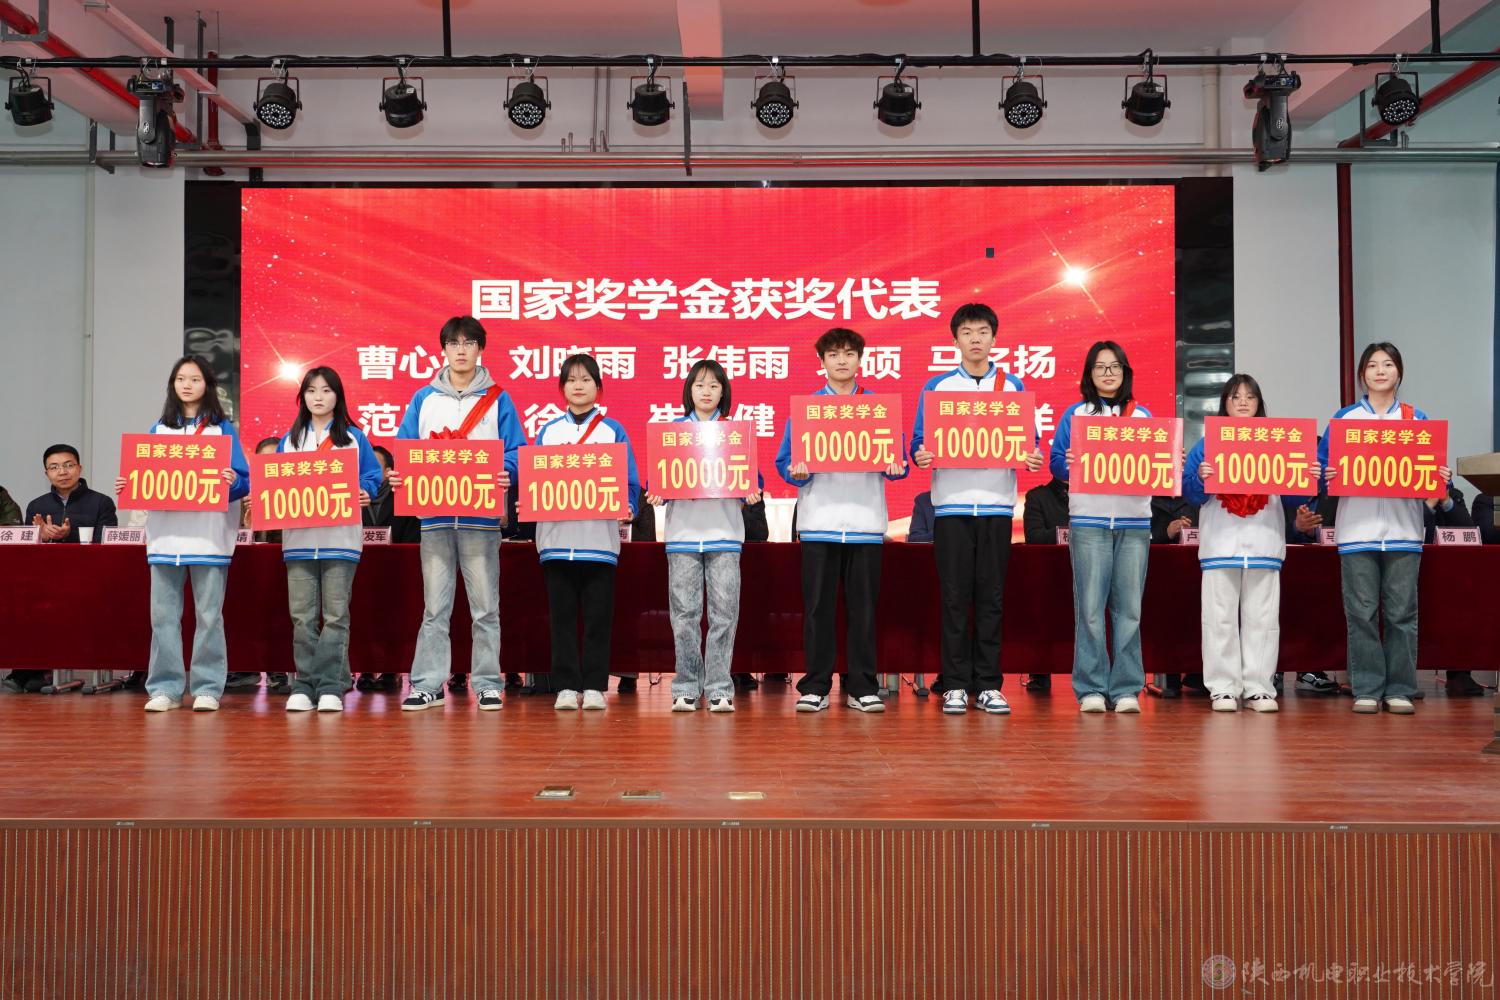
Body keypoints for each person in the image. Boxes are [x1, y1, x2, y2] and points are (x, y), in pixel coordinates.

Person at [910, 303, 1045, 716]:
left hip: (997, 507)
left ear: (994, 338)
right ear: (955, 340)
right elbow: (918, 442)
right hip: (951, 508)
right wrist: (921, 454)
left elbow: (1030, 440)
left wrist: (1032, 456)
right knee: (953, 598)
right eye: (967, 332)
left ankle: (988, 684)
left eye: (982, 331)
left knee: (991, 598)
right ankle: (954, 684)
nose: (975, 339)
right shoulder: (938, 387)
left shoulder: (1012, 385)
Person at [393, 316, 525, 712]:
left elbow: (516, 451)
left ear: (480, 349)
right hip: (434, 518)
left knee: (485, 608)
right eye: (454, 343)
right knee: (434, 609)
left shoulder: (499, 398)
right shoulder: (423, 398)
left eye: (469, 343)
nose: (461, 350)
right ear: (444, 350)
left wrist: (507, 471)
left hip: (481, 520)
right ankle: (427, 684)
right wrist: (399, 474)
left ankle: (487, 683)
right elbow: (405, 447)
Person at [776, 327, 908, 714]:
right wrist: (796, 472)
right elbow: (784, 462)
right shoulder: (808, 409)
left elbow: (898, 462)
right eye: (833, 354)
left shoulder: (877, 408)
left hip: (865, 524)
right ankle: (815, 686)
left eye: (849, 353)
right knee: (818, 609)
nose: (841, 361)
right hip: (819, 522)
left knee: (863, 610)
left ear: (860, 359)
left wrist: (895, 465)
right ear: (822, 362)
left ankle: (862, 686)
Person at [1317, 342, 1450, 715]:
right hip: (1357, 532)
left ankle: (1401, 689)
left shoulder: (1415, 419)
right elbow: (1321, 471)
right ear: (1362, 374)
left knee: (1401, 614)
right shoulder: (1344, 419)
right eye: (1372, 365)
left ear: (1399, 372)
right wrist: (1325, 474)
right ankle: (1367, 687)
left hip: (1404, 531)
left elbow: (1432, 474)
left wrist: (1441, 476)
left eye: (1388, 364)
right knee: (1361, 613)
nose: (1380, 371)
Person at [116, 354, 249, 712]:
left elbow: (243, 480)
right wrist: (130, 485)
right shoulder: (160, 429)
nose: (187, 385)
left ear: (208, 385)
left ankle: (208, 687)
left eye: (195, 379)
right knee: (163, 617)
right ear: (172, 385)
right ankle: (165, 688)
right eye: (181, 379)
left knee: (209, 616)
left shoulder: (222, 428)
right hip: (165, 537)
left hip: (209, 537)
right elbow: (144, 477)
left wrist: (233, 481)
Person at [1183, 374, 1311, 713]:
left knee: (1263, 619)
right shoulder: (1206, 444)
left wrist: (1308, 474)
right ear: (1224, 403)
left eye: (1250, 397)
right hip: (1221, 542)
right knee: (1219, 619)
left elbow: (1295, 496)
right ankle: (1222, 688)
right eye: (1235, 396)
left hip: (1264, 540)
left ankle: (1259, 688)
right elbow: (1189, 493)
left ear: (1259, 404)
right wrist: (1201, 478)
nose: (1242, 402)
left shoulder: (1278, 441)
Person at [644, 359, 761, 713]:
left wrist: (753, 490)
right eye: (699, 385)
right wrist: (656, 492)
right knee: (684, 616)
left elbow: (752, 478)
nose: (706, 392)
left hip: (725, 535)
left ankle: (720, 687)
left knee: (724, 615)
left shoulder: (734, 433)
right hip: (682, 536)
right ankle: (686, 686)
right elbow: (657, 480)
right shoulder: (674, 432)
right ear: (689, 391)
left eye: (714, 385)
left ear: (723, 392)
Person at [1049, 341, 1153, 714]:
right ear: (1089, 375)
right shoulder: (1076, 415)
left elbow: (1158, 466)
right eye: (1100, 367)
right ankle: (1091, 687)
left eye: (1114, 367)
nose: (1108, 373)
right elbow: (1055, 463)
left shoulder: (1143, 417)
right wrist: (1067, 462)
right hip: (1089, 521)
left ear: (1125, 372)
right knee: (1090, 609)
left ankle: (1126, 688)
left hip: (1134, 522)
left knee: (1130, 610)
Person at [271, 367, 384, 713]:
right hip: (299, 542)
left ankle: (331, 685)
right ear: (302, 397)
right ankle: (304, 684)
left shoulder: (353, 438)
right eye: (311, 391)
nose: (318, 397)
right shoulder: (290, 441)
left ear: (338, 396)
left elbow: (372, 475)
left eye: (326, 390)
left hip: (340, 540)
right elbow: (274, 484)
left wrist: (365, 490)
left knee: (335, 616)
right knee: (302, 617)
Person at [534, 353, 641, 712]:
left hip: (599, 542)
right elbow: (535, 480)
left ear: (598, 387)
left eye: (586, 380)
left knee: (598, 618)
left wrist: (629, 506)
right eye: (571, 380)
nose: (578, 386)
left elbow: (630, 482)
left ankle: (595, 685)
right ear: (562, 388)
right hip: (556, 541)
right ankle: (566, 685)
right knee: (561, 618)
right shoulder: (549, 431)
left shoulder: (613, 431)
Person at [227, 437, 293, 694]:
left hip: (282, 566)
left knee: (282, 615)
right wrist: (248, 516)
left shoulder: (295, 495)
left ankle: (279, 668)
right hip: (244, 568)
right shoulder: (241, 492)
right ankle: (245, 668)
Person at [354, 444, 417, 693]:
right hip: (358, 571)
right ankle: (365, 669)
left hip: (396, 571)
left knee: (396, 620)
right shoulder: (348, 495)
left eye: (373, 467)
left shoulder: (404, 494)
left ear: (389, 471)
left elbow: (413, 536)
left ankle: (393, 670)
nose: (365, 472)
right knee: (361, 619)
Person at [1020, 475, 1070, 694]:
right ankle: (1039, 671)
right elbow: (1034, 536)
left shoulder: (1093, 496)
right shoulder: (1038, 496)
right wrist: (1070, 532)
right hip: (1049, 575)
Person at [25, 444, 118, 543]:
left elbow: (106, 544)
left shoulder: (102, 503)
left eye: (69, 465)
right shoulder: (35, 506)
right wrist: (43, 539)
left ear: (79, 468)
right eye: (54, 467)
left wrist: (69, 535)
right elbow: (25, 548)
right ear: (47, 474)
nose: (62, 472)